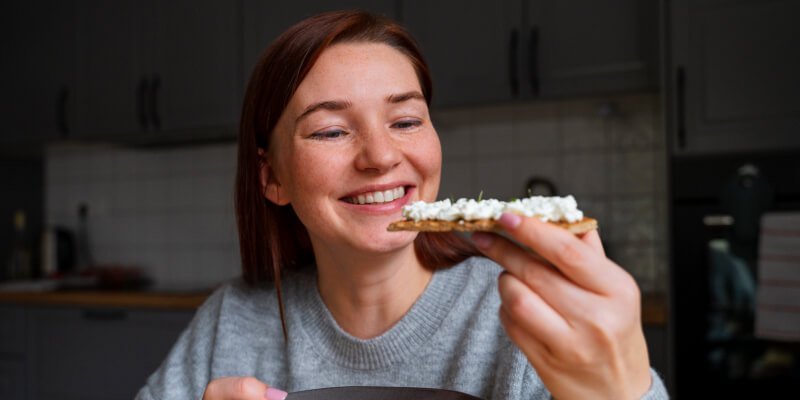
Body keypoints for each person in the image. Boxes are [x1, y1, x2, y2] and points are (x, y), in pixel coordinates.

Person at [136, 10, 667, 400]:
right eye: (331, 130)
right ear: (272, 177)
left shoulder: (522, 313)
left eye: (407, 121)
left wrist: (619, 391)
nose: (381, 156)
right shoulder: (232, 322)